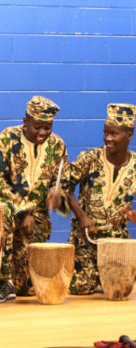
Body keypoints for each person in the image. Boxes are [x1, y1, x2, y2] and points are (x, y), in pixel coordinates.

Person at [0, 96, 70, 302]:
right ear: (26, 121)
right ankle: (3, 281)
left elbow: (64, 183)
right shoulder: (8, 137)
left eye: (47, 127)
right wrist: (22, 212)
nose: (43, 133)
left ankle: (14, 283)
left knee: (25, 288)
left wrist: (57, 197)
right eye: (37, 127)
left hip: (37, 218)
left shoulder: (58, 145)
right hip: (7, 209)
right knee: (2, 212)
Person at [68, 103, 136, 295]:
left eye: (114, 134)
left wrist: (132, 215)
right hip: (86, 240)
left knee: (119, 290)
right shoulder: (90, 158)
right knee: (81, 288)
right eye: (106, 132)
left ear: (129, 135)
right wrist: (81, 216)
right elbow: (65, 187)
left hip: (116, 243)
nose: (107, 138)